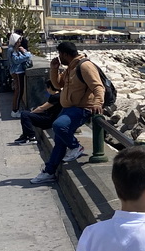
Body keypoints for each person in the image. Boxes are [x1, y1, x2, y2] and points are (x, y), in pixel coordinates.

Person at [30, 41, 103, 184]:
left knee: (58, 126)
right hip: (68, 109)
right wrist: (54, 69)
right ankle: (49, 172)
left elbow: (98, 86)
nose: (59, 57)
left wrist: (97, 103)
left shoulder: (85, 66)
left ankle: (76, 146)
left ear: (64, 54)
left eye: (59, 54)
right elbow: (58, 85)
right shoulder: (71, 67)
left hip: (81, 109)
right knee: (59, 142)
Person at [13, 79, 65, 144]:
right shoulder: (56, 95)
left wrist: (32, 112)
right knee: (26, 113)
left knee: (25, 115)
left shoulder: (56, 97)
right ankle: (26, 135)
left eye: (47, 87)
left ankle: (31, 137)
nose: (46, 89)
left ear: (50, 87)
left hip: (49, 120)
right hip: (48, 117)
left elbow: (42, 108)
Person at [9, 36, 33, 115]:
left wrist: (25, 53)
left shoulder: (14, 49)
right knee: (19, 91)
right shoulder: (12, 50)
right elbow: (16, 60)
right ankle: (15, 110)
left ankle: (16, 109)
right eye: (18, 41)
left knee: (19, 91)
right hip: (17, 72)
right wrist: (27, 54)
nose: (20, 43)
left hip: (18, 71)